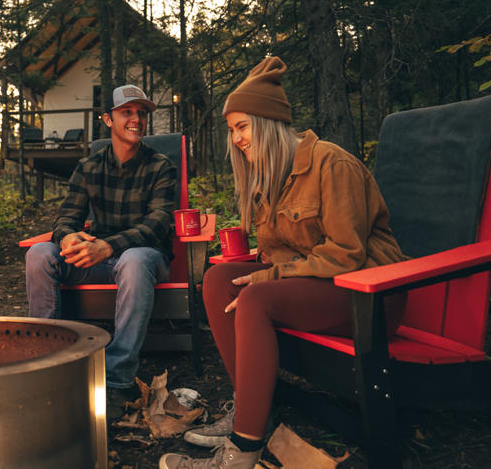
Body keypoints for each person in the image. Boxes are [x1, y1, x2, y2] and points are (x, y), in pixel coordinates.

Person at [160, 57, 408, 469]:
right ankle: (252, 408)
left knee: (256, 298)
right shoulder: (271, 177)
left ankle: (243, 450)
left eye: (242, 127)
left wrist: (270, 277)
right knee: (219, 279)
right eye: (232, 130)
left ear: (269, 122)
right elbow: (278, 254)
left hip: (370, 297)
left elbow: (346, 254)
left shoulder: (332, 163)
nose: (236, 139)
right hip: (320, 288)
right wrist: (265, 268)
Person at [26, 84, 176, 417]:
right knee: (38, 254)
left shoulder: (161, 166)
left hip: (145, 257)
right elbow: (66, 218)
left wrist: (107, 246)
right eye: (127, 112)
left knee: (134, 259)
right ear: (108, 120)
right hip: (96, 259)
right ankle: (46, 361)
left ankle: (118, 380)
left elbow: (157, 224)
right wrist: (67, 237)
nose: (136, 119)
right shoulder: (88, 167)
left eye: (141, 113)